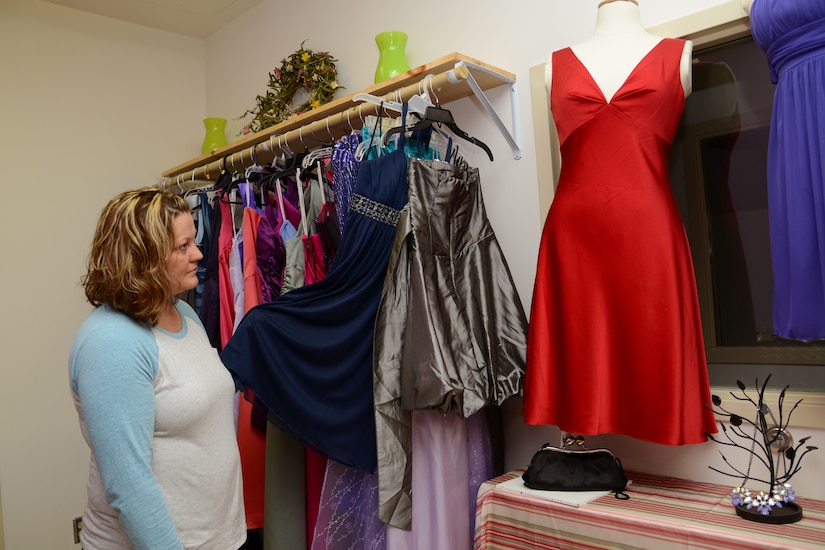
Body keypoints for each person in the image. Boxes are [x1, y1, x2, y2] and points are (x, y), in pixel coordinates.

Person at [523, 0, 717, 445]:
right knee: (582, 345)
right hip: (573, 234)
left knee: (651, 338)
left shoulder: (678, 55)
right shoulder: (555, 65)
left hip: (647, 225)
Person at [69, 186, 246, 549]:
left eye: (193, 242)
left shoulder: (183, 312)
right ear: (143, 256)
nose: (198, 254)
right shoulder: (113, 341)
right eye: (183, 247)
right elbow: (128, 486)